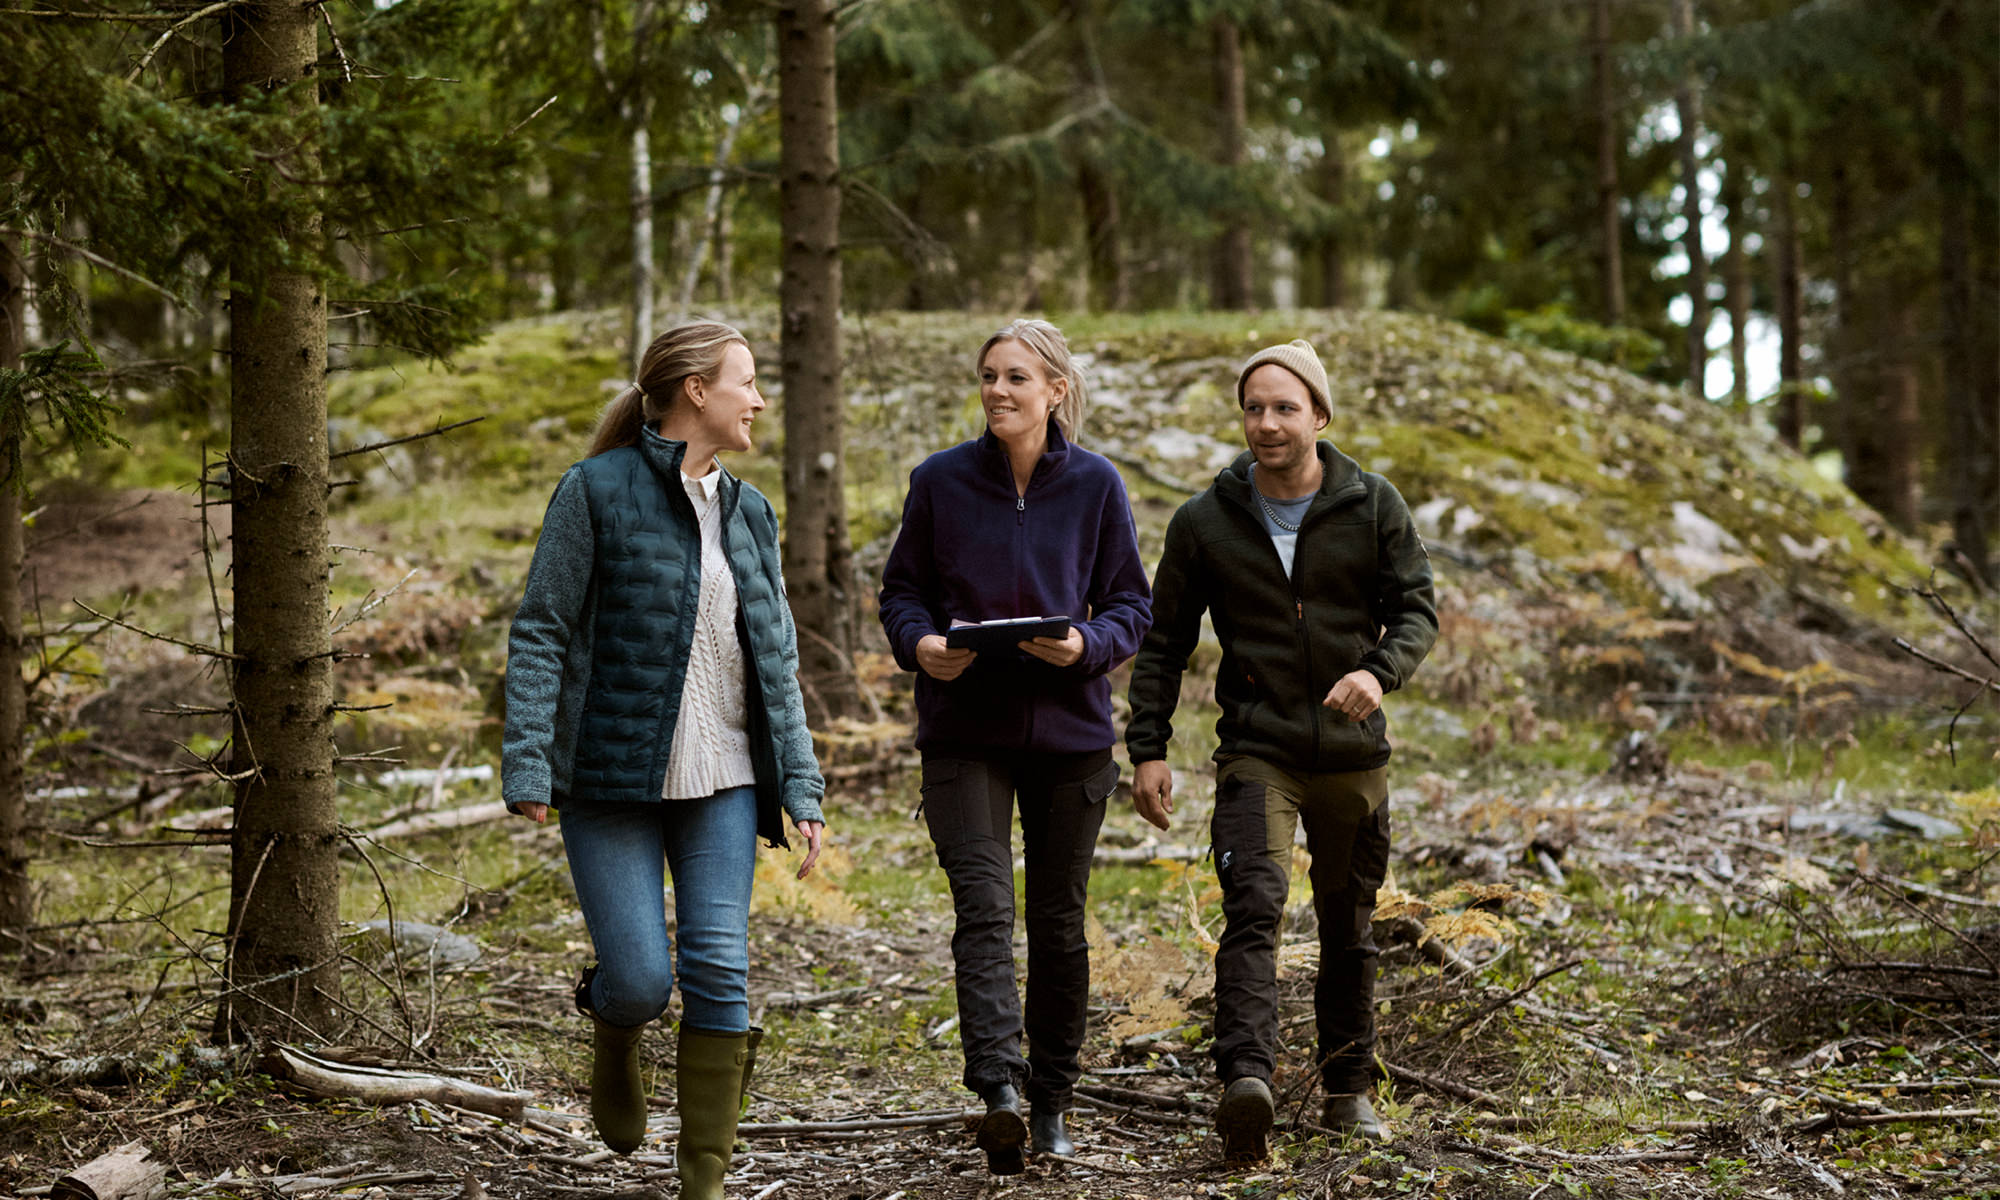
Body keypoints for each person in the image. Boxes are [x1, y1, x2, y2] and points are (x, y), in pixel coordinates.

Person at [501, 321, 827, 1197]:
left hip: (724, 779)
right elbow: (540, 630)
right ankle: (615, 1026)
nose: (758, 400)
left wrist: (801, 784)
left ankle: (703, 1182)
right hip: (610, 777)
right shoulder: (595, 491)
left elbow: (777, 663)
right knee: (643, 979)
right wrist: (529, 761)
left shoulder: (750, 511)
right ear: (695, 389)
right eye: (746, 382)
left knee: (720, 964)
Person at [1125, 339, 1436, 1161]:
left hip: (1354, 758)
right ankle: (1247, 1085)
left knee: (1348, 922)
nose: (1266, 423)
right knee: (1254, 906)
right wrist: (1147, 748)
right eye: (1254, 408)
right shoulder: (1204, 522)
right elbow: (1162, 644)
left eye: (1284, 407)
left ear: (1319, 416)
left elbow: (1416, 612)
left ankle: (1347, 1090)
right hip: (1257, 748)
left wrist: (1380, 672)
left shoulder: (1374, 506)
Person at [878, 319, 1152, 1174]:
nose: (998, 391)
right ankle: (998, 1090)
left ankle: (1053, 1101)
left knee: (1058, 923)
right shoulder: (939, 483)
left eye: (1017, 379)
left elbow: (1131, 608)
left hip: (1071, 739)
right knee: (986, 909)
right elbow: (902, 595)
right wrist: (920, 645)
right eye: (989, 376)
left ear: (1055, 391)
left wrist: (1088, 648)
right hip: (964, 733)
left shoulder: (1099, 487)